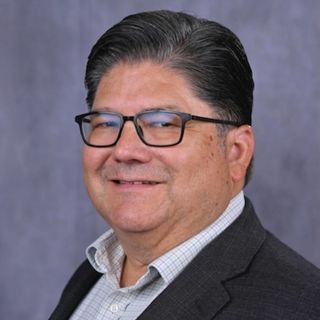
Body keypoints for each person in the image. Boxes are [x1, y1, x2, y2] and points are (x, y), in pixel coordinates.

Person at [50, 10, 320, 320]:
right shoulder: (91, 277)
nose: (124, 150)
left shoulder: (300, 307)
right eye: (106, 123)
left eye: (163, 123)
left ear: (236, 151)